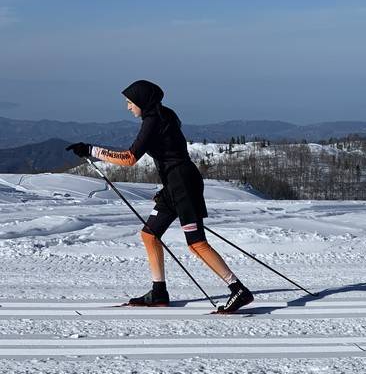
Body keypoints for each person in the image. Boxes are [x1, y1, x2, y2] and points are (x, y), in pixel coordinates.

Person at [66, 80, 253, 313]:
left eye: (130, 102)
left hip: (183, 186)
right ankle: (158, 292)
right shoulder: (162, 115)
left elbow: (129, 158)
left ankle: (237, 289)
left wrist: (92, 150)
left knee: (196, 243)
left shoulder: (153, 121)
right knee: (149, 235)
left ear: (143, 102)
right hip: (174, 185)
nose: (127, 107)